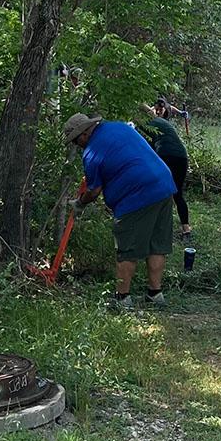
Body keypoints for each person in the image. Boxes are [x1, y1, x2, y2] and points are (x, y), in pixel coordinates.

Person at [63, 112, 175, 310]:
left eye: (75, 140)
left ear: (84, 134)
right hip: (163, 184)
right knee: (157, 245)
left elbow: (93, 191)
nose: (76, 145)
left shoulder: (91, 152)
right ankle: (155, 294)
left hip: (136, 195)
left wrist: (79, 203)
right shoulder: (120, 127)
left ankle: (122, 299)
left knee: (126, 249)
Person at [140, 99, 191, 241]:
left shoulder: (145, 124)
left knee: (157, 190)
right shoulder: (163, 122)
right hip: (182, 156)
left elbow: (146, 147)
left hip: (166, 156)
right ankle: (186, 229)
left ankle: (155, 227)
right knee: (178, 193)